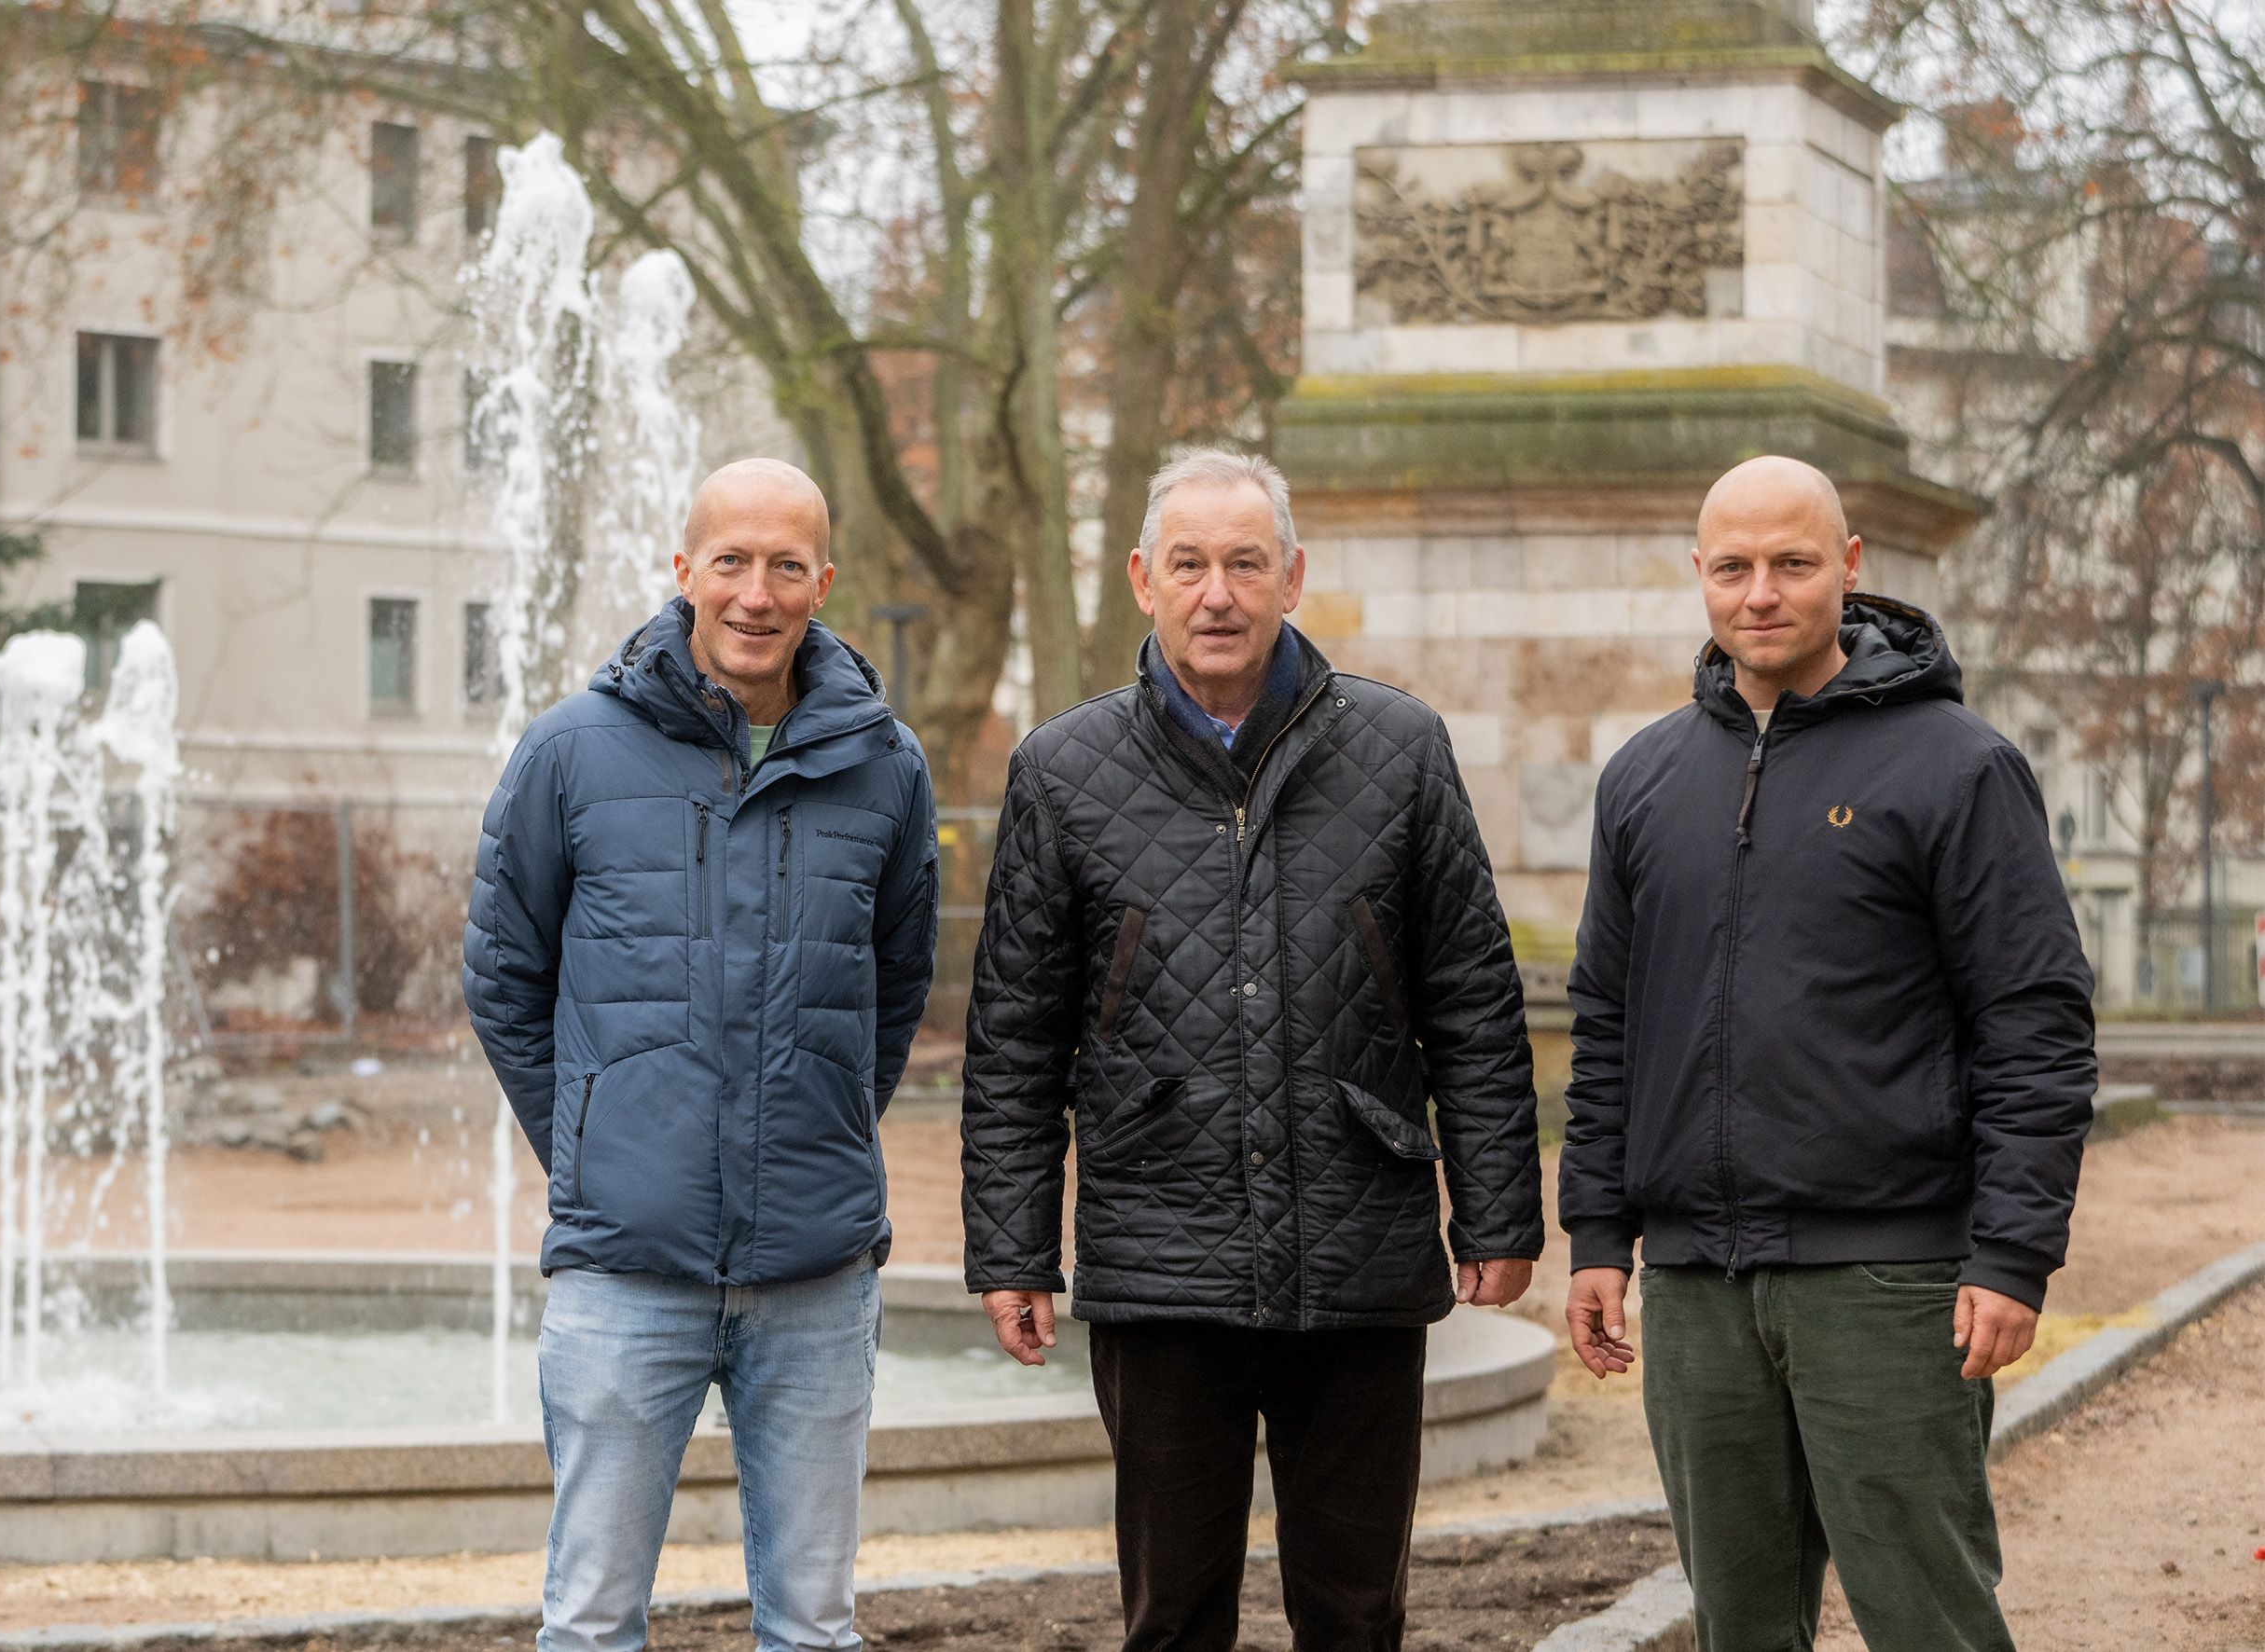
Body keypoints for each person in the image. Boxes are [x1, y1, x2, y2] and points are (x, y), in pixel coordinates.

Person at [960, 450, 1543, 1652]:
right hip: (1161, 1252)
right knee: (1172, 1616)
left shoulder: (1401, 747)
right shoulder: (1060, 770)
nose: (1216, 592)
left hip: (1359, 1246)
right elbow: (1015, 1033)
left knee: (1356, 1609)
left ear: (1291, 576)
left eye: (1244, 562)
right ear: (1142, 579)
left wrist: (1498, 1213)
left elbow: (1474, 1000)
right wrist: (1011, 1245)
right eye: (1189, 564)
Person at [1558, 455, 2096, 1652]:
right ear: (1697, 573)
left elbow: (2035, 1020)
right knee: (1738, 1629)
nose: (1763, 592)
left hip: (1892, 1283)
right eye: (1735, 566)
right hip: (1698, 1287)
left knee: (1929, 1621)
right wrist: (1598, 1233)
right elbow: (1607, 1019)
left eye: (1793, 563)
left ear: (1849, 569)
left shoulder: (1958, 766)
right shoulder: (1644, 778)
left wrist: (2013, 1251)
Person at [463, 457, 941, 1652]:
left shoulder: (886, 766)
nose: (757, 591)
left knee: (815, 1626)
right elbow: (502, 977)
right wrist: (595, 1140)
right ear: (685, 571)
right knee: (588, 1621)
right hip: (626, 1266)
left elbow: (891, 990)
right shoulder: (571, 750)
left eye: (787, 565)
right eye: (731, 560)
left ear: (823, 582)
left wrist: (817, 1122)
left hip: (817, 1274)